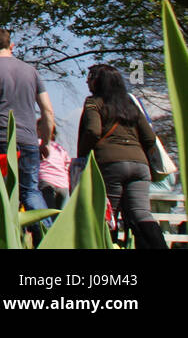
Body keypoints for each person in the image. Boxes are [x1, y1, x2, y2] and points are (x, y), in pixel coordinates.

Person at [76, 64, 168, 249]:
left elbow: (93, 131)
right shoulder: (130, 104)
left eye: (90, 76)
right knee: (142, 214)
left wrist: (83, 155)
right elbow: (149, 137)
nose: (87, 80)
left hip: (110, 164)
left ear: (99, 81)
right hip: (139, 165)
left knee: (107, 216)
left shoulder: (94, 102)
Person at [0, 28, 52, 225]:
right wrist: (45, 142)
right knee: (31, 192)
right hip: (28, 141)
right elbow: (48, 111)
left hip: (0, 139)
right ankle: (49, 237)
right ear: (12, 45)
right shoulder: (31, 71)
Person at [37, 116, 70, 211]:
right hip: (63, 186)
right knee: (56, 215)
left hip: (46, 182)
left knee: (47, 215)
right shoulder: (59, 148)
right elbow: (67, 165)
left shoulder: (37, 143)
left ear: (40, 130)